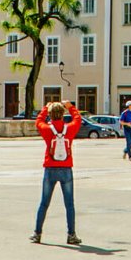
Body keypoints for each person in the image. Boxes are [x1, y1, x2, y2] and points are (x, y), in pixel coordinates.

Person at [30, 100, 82, 245]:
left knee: (44, 203)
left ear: (51, 115)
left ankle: (37, 233)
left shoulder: (47, 130)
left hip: (50, 167)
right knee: (69, 204)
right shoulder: (69, 129)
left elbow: (38, 121)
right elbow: (78, 119)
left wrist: (45, 108)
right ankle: (71, 235)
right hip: (66, 168)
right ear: (63, 114)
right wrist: (71, 107)